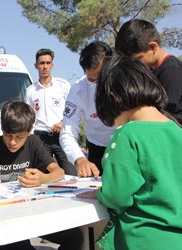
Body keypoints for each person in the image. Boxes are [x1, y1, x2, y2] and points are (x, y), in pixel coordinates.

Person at [78, 56, 182, 249]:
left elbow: (116, 196)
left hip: (143, 239)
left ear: (112, 98)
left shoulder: (127, 134)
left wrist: (101, 193)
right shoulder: (177, 129)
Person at [0, 99, 82, 250]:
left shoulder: (33, 143)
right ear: (1, 128)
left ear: (30, 131)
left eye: (19, 137)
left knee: (74, 236)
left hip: (32, 215)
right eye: (8, 135)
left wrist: (44, 178)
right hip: (2, 220)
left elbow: (59, 172)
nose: (12, 142)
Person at [60, 41, 115, 178]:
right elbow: (67, 132)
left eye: (101, 79)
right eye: (92, 80)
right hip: (97, 148)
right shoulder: (77, 91)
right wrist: (80, 159)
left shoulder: (125, 82)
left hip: (126, 146)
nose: (98, 85)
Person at [115, 18, 182, 124]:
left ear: (153, 47)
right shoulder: (153, 71)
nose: (136, 66)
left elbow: (168, 115)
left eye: (138, 59)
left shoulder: (171, 70)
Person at [25, 48, 76, 175]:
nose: (45, 67)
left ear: (52, 65)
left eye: (48, 63)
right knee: (44, 176)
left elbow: (73, 109)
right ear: (36, 66)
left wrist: (63, 122)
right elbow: (28, 116)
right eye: (42, 63)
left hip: (61, 136)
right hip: (40, 138)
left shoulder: (63, 85)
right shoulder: (31, 91)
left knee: (71, 174)